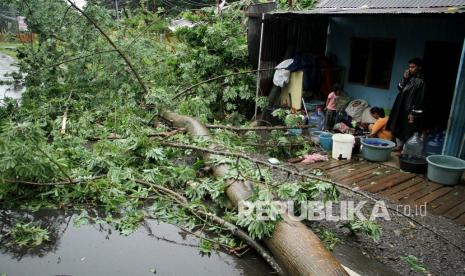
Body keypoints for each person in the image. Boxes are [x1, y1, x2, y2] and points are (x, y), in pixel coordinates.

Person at [386, 58, 425, 151]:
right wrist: (404, 78)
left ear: (419, 68)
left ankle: (405, 150)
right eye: (409, 67)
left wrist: (414, 113)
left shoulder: (422, 82)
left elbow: (420, 99)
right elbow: (400, 88)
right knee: (398, 124)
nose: (410, 69)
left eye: (413, 67)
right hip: (401, 106)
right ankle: (399, 146)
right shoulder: (409, 78)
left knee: (408, 129)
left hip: (410, 108)